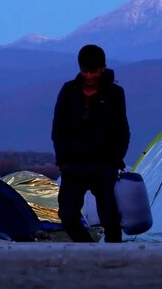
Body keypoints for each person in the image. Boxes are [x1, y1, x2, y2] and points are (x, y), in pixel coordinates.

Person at [52, 44, 130, 242]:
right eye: (84, 71)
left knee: (110, 217)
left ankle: (115, 255)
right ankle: (88, 249)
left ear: (102, 68)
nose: (88, 76)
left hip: (103, 165)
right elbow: (58, 128)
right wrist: (63, 161)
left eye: (92, 71)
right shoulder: (69, 91)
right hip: (73, 165)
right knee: (67, 214)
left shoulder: (114, 94)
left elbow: (122, 130)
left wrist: (114, 160)